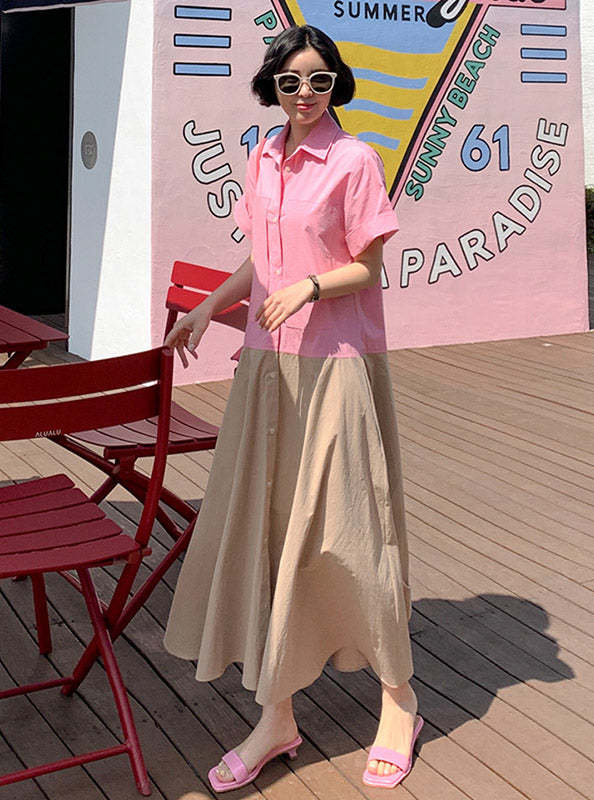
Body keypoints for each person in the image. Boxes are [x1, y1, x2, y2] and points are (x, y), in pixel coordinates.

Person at [163, 24, 422, 793]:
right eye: (289, 81)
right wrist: (207, 308)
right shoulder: (264, 155)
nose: (304, 93)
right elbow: (263, 258)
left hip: (336, 370)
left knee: (354, 535)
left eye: (317, 80)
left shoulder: (354, 160)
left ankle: (400, 702)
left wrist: (310, 287)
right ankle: (276, 717)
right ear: (271, 87)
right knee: (268, 535)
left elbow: (368, 267)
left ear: (336, 83)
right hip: (267, 371)